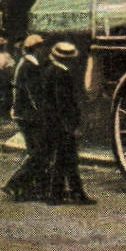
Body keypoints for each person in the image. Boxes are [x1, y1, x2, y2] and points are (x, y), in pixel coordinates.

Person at [41, 41, 94, 204]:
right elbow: (63, 102)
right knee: (65, 159)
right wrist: (70, 125)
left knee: (67, 159)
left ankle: (72, 193)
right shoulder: (62, 74)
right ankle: (59, 195)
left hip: (53, 122)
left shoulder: (51, 70)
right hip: (62, 123)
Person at [2, 35, 48, 201]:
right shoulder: (29, 66)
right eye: (41, 47)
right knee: (37, 152)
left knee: (36, 151)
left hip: (23, 113)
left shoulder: (25, 63)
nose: (43, 51)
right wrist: (42, 111)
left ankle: (32, 187)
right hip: (28, 114)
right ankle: (15, 184)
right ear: (35, 49)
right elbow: (33, 93)